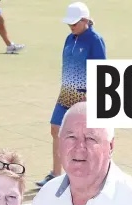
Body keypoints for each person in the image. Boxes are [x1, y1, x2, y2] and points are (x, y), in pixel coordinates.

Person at [36, 2, 106, 188]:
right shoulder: (69, 38)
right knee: (55, 128)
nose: (71, 26)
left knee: (82, 137)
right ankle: (56, 174)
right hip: (67, 92)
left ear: (85, 20)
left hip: (84, 95)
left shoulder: (94, 39)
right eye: (70, 23)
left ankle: (83, 175)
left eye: (75, 23)